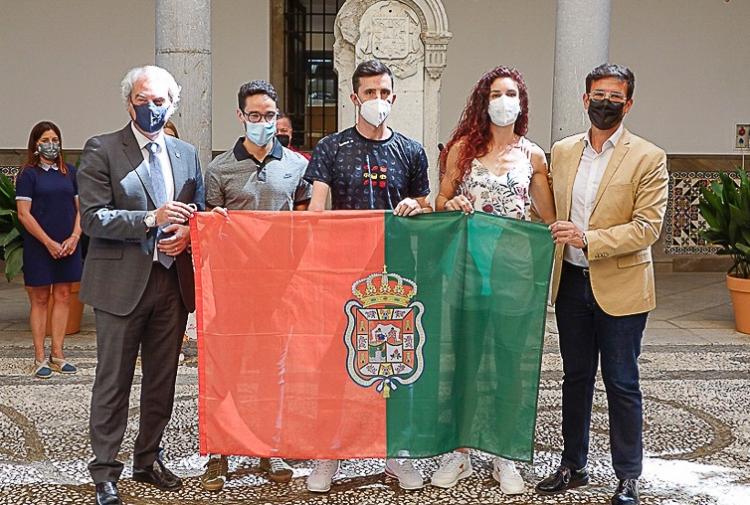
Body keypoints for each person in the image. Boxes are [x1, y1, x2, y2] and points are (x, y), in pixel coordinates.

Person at [536, 63, 668, 505]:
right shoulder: (564, 150)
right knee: (575, 378)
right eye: (598, 94)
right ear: (585, 98)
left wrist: (589, 240)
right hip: (571, 283)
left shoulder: (649, 157)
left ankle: (627, 475)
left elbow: (648, 228)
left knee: (622, 382)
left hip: (623, 287)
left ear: (628, 103)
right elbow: (544, 206)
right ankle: (573, 464)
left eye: (615, 96)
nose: (605, 103)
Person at [77, 65, 205, 505]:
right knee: (112, 380)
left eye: (159, 101)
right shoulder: (102, 149)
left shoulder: (187, 153)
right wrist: (151, 218)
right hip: (120, 284)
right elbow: (93, 218)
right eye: (142, 100)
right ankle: (105, 470)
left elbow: (198, 211)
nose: (151, 108)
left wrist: (190, 232)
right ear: (128, 102)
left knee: (162, 381)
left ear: (173, 104)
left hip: (171, 283)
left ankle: (148, 458)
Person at [304, 59, 431, 493]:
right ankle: (329, 453)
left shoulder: (411, 150)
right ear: (354, 98)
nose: (377, 100)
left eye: (384, 93)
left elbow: (425, 203)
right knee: (337, 363)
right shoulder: (331, 148)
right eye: (369, 93)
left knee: (397, 360)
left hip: (396, 279)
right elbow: (316, 207)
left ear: (394, 98)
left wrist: (419, 206)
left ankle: (396, 453)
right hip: (342, 276)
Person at [433, 66, 555, 494]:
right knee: (465, 358)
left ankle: (505, 454)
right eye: (496, 94)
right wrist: (453, 203)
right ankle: (461, 452)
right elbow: (441, 199)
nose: (504, 101)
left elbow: (546, 218)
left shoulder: (533, 156)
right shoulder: (463, 148)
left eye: (512, 94)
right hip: (469, 268)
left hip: (514, 274)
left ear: (521, 103)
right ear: (483, 102)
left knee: (508, 363)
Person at [200, 80, 311, 492]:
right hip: (231, 287)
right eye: (254, 116)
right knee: (225, 368)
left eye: (269, 115)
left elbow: (305, 224)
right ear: (240, 117)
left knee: (272, 371)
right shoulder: (220, 169)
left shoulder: (297, 166)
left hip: (278, 288)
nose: (262, 122)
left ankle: (270, 447)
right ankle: (219, 453)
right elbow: (209, 227)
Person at [15, 121, 81, 379]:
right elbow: (24, 214)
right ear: (36, 143)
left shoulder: (70, 172)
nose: (51, 144)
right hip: (40, 247)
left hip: (69, 245)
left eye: (55, 139)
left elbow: (81, 209)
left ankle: (58, 353)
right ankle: (40, 357)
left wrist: (75, 237)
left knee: (64, 295)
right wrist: (48, 242)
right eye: (46, 139)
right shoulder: (28, 175)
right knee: (40, 299)